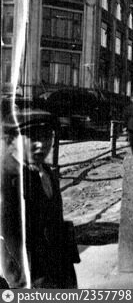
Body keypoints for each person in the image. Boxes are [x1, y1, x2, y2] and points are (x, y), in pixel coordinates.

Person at [1, 110, 78, 288]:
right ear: (12, 140)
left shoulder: (45, 171)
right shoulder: (6, 178)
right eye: (33, 138)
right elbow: (7, 237)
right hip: (29, 276)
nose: (41, 145)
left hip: (57, 268)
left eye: (47, 137)